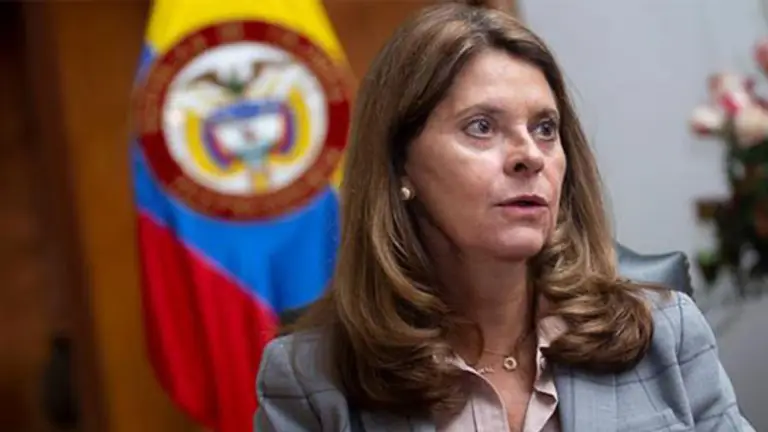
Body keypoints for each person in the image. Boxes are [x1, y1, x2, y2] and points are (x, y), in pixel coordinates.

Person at [253, 1, 755, 431]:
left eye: (544, 128)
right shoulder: (311, 381)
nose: (529, 156)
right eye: (481, 127)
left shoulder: (666, 333)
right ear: (399, 164)